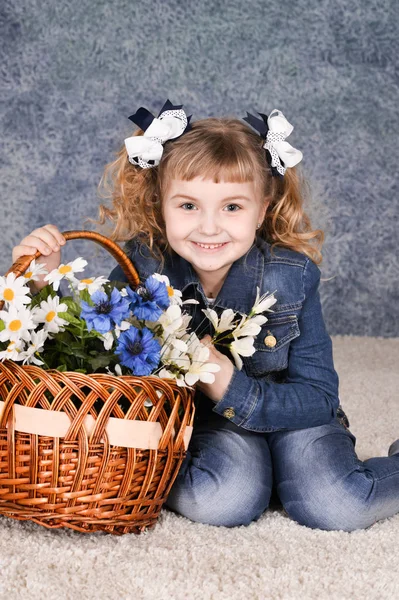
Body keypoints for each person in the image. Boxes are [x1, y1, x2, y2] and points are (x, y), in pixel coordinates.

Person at [12, 99, 399, 533]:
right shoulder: (141, 268)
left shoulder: (292, 275)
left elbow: (320, 397)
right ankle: (269, 479)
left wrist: (227, 383)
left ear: (264, 208)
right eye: (188, 206)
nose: (209, 227)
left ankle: (303, 474)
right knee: (224, 501)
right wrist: (41, 282)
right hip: (210, 427)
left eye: (232, 207)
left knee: (337, 505)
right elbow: (90, 355)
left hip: (295, 418)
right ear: (160, 204)